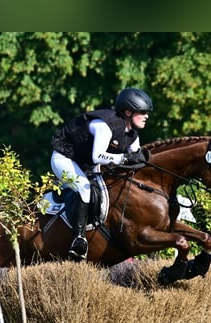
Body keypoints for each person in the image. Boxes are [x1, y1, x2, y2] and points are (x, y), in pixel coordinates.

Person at [50, 87, 153, 260]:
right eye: (142, 112)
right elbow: (98, 155)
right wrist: (126, 157)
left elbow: (135, 159)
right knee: (84, 189)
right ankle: (79, 240)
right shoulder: (104, 125)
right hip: (64, 159)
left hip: (87, 165)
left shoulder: (132, 135)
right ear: (128, 112)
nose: (146, 116)